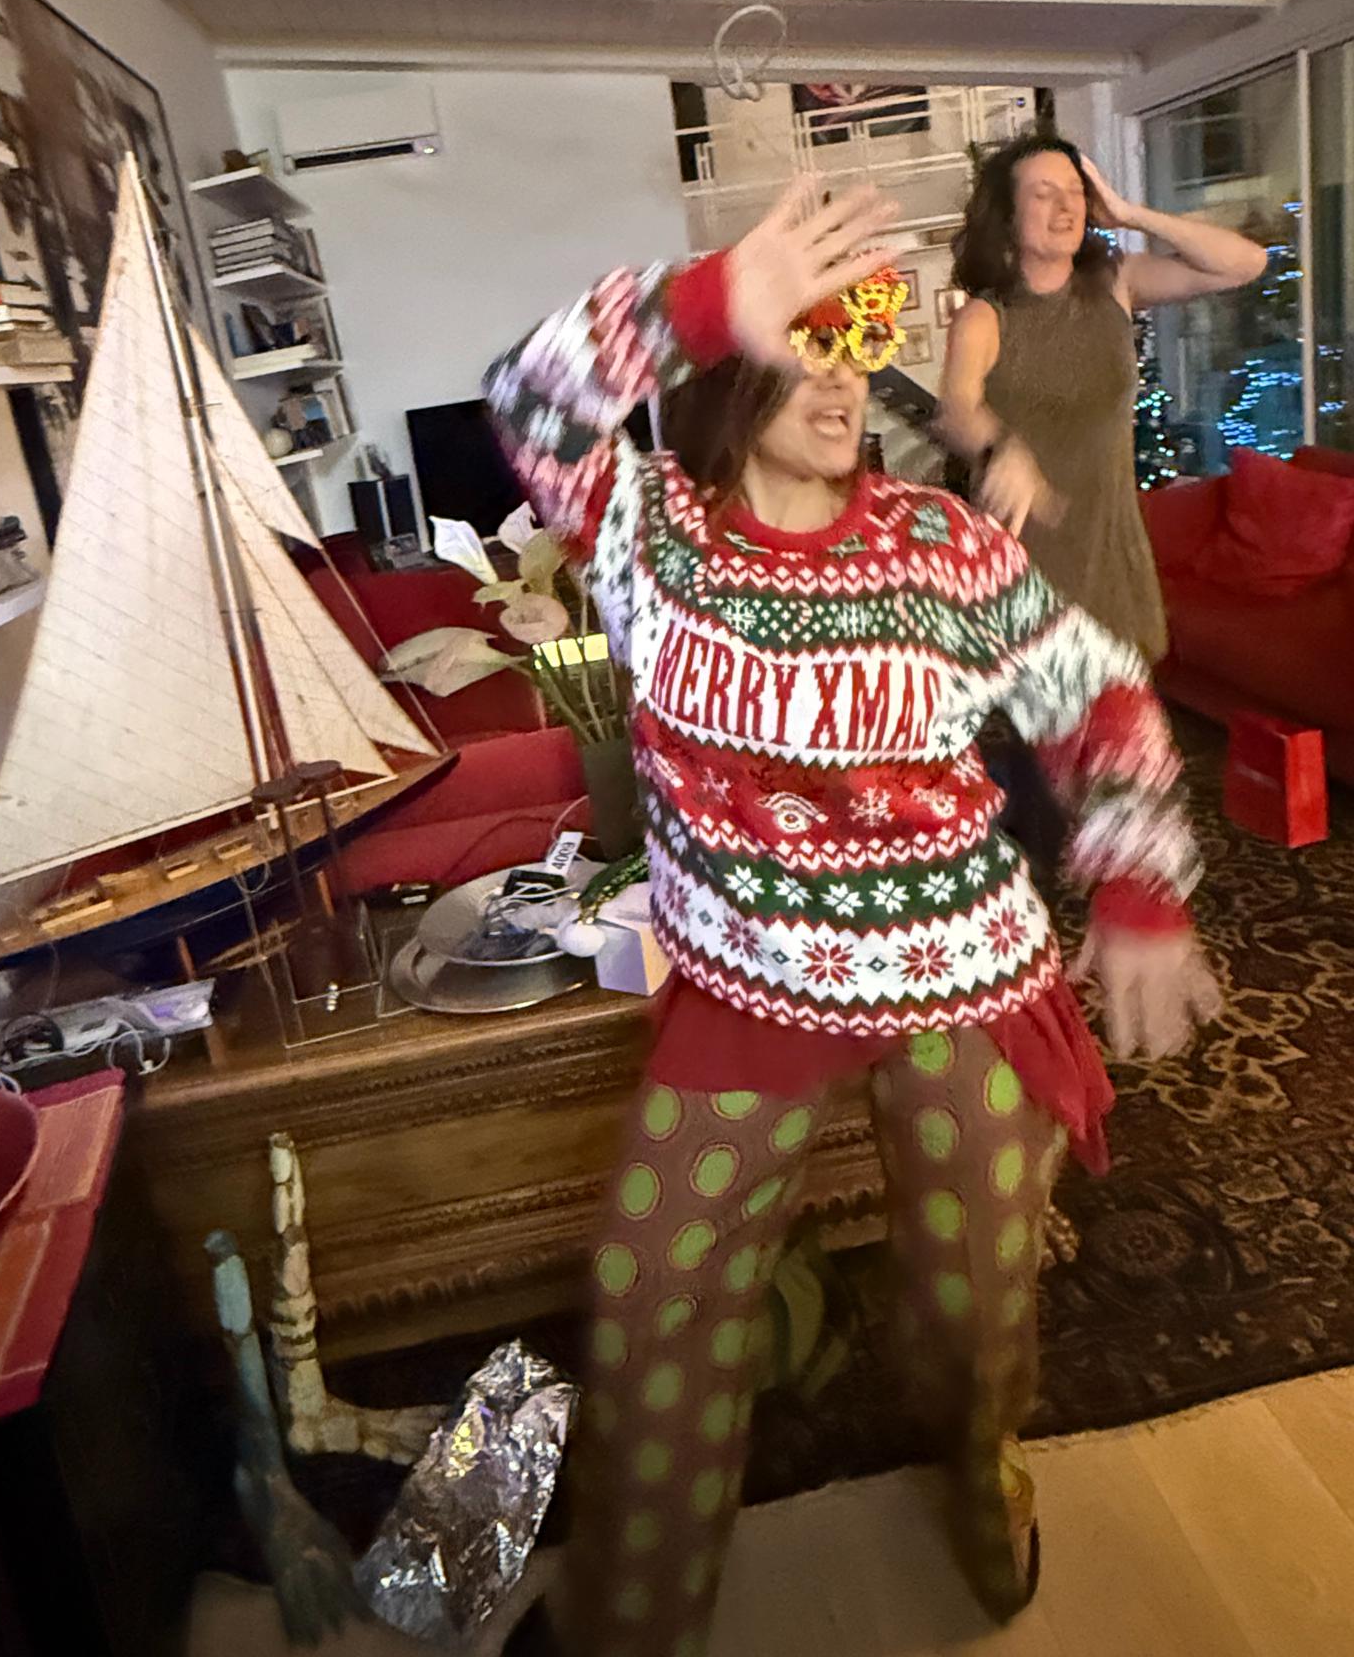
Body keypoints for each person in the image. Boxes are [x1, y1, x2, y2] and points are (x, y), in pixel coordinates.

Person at [484, 180, 1220, 1657]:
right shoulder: (647, 534)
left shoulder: (941, 543)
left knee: (971, 1304)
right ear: (736, 371)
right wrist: (703, 296)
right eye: (804, 348)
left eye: (855, 354)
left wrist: (1140, 888)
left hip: (961, 976)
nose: (839, 385)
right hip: (745, 986)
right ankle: (632, 1615)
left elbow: (1099, 699)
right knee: (654, 1289)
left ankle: (979, 1476)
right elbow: (529, 403)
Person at [938, 133, 1267, 663]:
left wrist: (1131, 214)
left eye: (1075, 190)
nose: (1066, 205)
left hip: (1114, 564)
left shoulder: (1116, 283)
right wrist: (1002, 447)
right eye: (1044, 193)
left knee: (1128, 707)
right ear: (1008, 215)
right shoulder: (983, 317)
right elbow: (956, 408)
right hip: (1025, 575)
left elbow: (1244, 263)